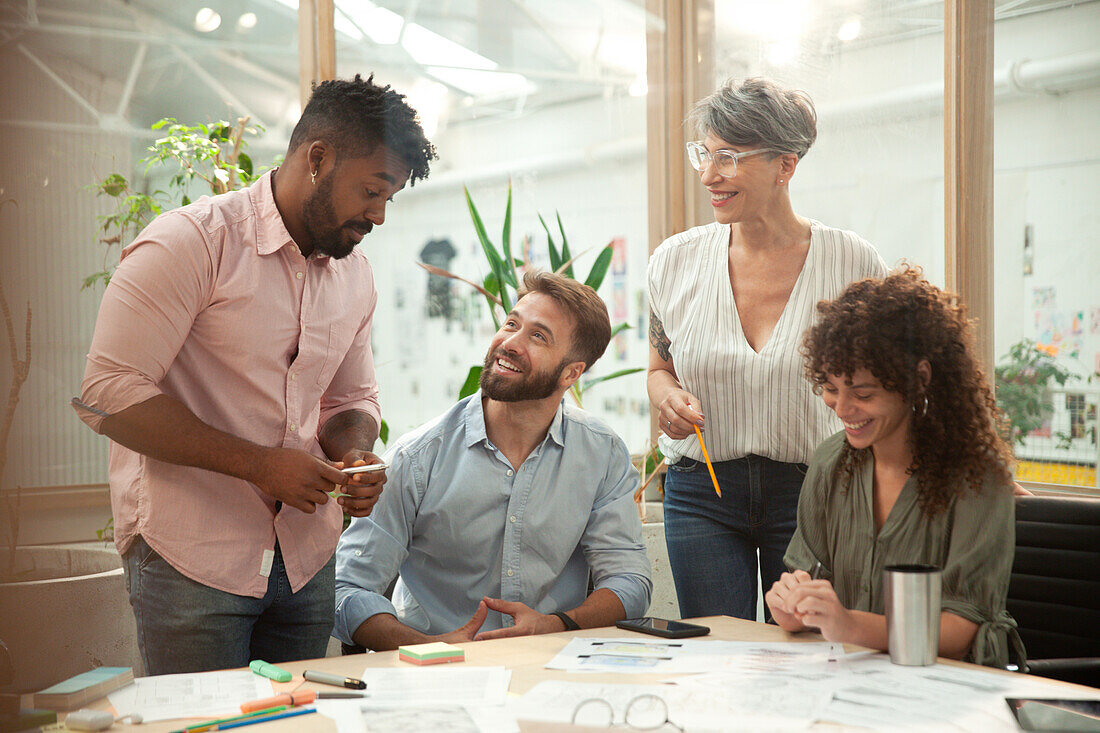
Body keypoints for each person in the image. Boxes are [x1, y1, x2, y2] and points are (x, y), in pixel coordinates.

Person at [72, 74, 436, 674]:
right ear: (317, 158)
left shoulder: (354, 275)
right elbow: (108, 395)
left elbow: (352, 397)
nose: (378, 214)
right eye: (372, 191)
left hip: (307, 562)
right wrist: (261, 465)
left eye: (388, 198)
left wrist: (356, 454)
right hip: (192, 561)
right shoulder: (191, 244)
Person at [647, 77, 887, 620]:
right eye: (704, 155)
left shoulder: (853, 263)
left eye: (729, 158)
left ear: (785, 166)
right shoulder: (673, 261)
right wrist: (666, 399)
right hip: (700, 493)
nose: (709, 175)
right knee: (715, 658)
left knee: (806, 650)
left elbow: (894, 387)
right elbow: (660, 367)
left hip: (815, 492)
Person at [333, 272, 652, 651]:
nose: (509, 343)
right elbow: (347, 588)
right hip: (432, 675)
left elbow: (629, 582)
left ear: (572, 372)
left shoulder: (602, 455)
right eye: (511, 324)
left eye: (538, 336)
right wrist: (429, 648)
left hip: (549, 666)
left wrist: (555, 625)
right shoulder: (418, 456)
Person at [766, 268, 1023, 668]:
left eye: (863, 394)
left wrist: (849, 625)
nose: (843, 409)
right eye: (832, 390)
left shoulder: (976, 475)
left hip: (952, 691)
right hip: (854, 681)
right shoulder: (831, 463)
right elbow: (809, 581)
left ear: (918, 379)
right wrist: (792, 607)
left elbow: (957, 633)